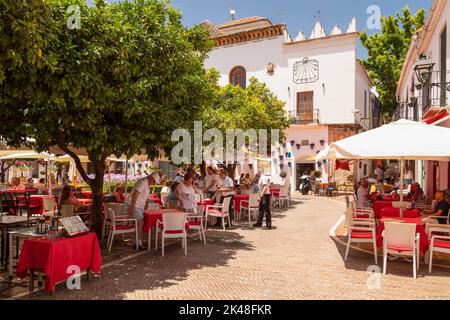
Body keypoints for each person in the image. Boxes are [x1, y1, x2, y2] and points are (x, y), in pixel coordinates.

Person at [124, 175, 156, 247]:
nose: (154, 184)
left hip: (137, 205)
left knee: (140, 223)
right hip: (134, 205)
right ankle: (139, 242)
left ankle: (138, 241)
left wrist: (146, 202)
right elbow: (136, 193)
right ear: (151, 178)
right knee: (140, 222)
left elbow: (144, 195)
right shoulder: (143, 182)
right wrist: (132, 206)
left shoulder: (147, 182)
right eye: (154, 181)